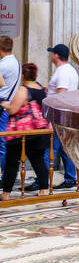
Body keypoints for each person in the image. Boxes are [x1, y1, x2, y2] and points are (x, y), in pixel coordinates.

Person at [1, 64, 50, 200]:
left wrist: (4, 104)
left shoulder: (23, 90)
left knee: (12, 162)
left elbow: (12, 109)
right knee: (38, 161)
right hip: (39, 131)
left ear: (22, 76)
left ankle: (6, 193)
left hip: (22, 132)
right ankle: (44, 190)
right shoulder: (42, 89)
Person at [44, 45, 79, 189]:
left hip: (57, 118)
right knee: (65, 148)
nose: (51, 56)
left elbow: (61, 95)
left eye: (52, 53)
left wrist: (52, 119)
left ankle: (43, 179)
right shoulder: (69, 70)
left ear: (56, 55)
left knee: (48, 149)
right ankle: (70, 178)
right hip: (64, 116)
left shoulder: (63, 72)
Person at [0, 35, 21, 172]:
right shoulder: (15, 62)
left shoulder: (3, 65)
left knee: (1, 142)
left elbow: (1, 84)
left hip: (2, 106)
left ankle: (3, 174)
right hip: (9, 105)